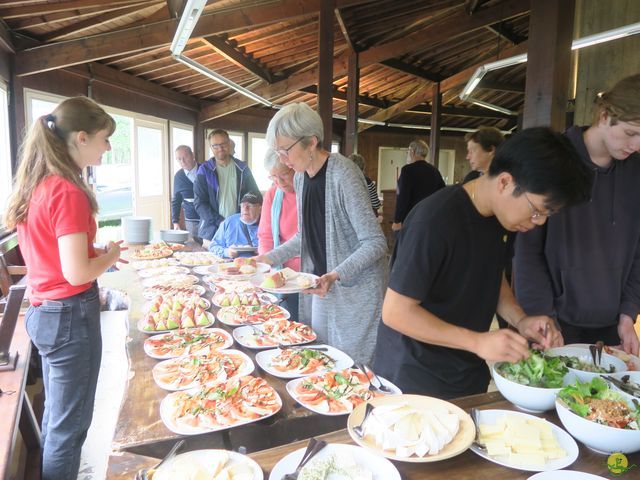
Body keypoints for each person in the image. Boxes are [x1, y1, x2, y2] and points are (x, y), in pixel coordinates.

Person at [373, 127, 593, 399]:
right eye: (537, 210)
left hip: (465, 374)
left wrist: (521, 319)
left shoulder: (500, 220)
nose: (539, 222)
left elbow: (491, 276)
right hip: (413, 378)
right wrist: (477, 341)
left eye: (547, 215)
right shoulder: (434, 221)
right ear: (505, 182)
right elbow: (396, 312)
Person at [3, 96, 124, 480]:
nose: (108, 147)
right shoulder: (68, 191)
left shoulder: (39, 184)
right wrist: (111, 255)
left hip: (46, 311)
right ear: (82, 138)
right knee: (69, 431)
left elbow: (53, 254)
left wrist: (93, 253)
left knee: (58, 420)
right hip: (69, 314)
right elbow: (76, 274)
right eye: (105, 139)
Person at [514, 74, 640, 355]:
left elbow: (639, 252)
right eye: (631, 133)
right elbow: (527, 253)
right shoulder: (555, 161)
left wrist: (628, 313)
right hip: (552, 324)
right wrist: (542, 317)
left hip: (612, 326)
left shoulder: (637, 172)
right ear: (605, 115)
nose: (636, 146)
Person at [256, 102, 388, 364]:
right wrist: (267, 258)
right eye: (278, 152)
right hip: (321, 285)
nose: (283, 159)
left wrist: (336, 275)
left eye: (285, 150)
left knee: (352, 368)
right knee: (319, 357)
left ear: (311, 142)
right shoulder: (302, 177)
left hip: (354, 291)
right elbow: (305, 236)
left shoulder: (344, 174)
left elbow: (375, 243)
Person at [194, 129, 260, 241]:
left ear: (229, 144)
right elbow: (199, 203)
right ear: (211, 147)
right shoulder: (204, 170)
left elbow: (254, 195)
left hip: (239, 227)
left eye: (223, 144)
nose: (220, 148)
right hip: (211, 230)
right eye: (215, 145)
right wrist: (220, 221)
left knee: (239, 258)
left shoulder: (243, 169)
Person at [258, 149, 300, 319]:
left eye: (283, 174)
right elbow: (265, 235)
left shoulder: (309, 191)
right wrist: (265, 265)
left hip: (310, 272)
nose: (279, 181)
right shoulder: (273, 194)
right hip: (281, 271)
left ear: (294, 167)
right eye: (273, 177)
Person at [391, 140, 445, 231]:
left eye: (407, 152)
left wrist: (397, 220)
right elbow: (442, 194)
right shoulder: (435, 171)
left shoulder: (407, 170)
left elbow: (402, 197)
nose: (407, 154)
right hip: (431, 219)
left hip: (411, 219)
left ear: (412, 151)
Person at [209, 192, 262, 258]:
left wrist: (264, 251)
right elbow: (213, 246)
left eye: (250, 206)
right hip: (231, 265)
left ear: (260, 209)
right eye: (243, 205)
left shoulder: (268, 224)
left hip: (259, 265)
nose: (245, 209)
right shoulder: (229, 222)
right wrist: (226, 252)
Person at [171, 145, 201, 244]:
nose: (182, 161)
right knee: (194, 246)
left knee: (211, 247)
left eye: (185, 157)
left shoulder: (205, 170)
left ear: (192, 155)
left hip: (209, 219)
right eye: (179, 159)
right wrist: (175, 222)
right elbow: (176, 200)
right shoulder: (178, 176)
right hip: (191, 219)